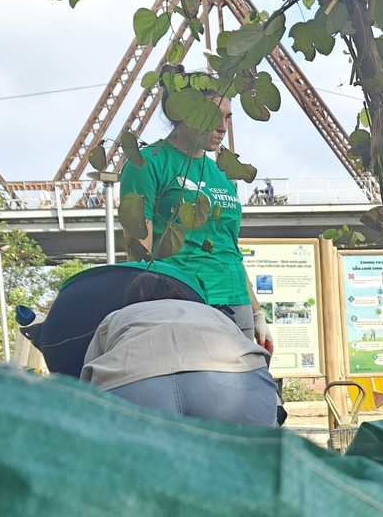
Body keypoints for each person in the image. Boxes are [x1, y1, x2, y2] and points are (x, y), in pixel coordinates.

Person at [120, 71, 269, 352]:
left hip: (236, 303)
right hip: (182, 299)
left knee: (242, 393)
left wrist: (257, 311)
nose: (223, 127)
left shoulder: (222, 172)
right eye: (214, 116)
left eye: (228, 117)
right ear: (186, 112)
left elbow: (229, 247)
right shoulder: (148, 163)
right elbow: (139, 247)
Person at [79, 272, 279, 425]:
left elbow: (87, 380)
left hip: (136, 388)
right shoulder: (211, 313)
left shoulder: (118, 316)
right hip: (239, 386)